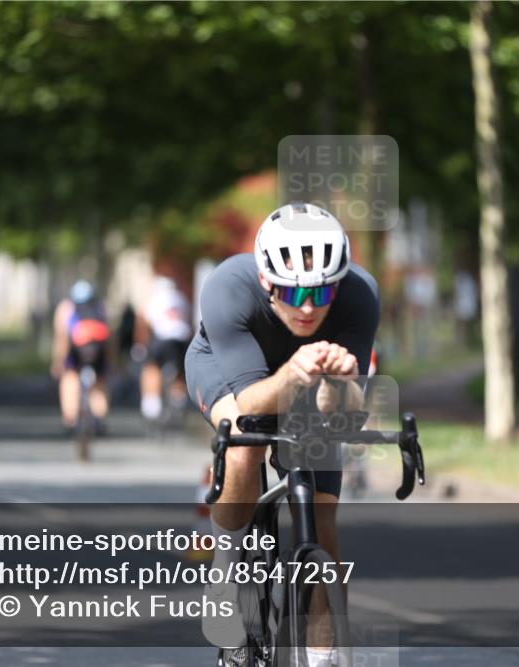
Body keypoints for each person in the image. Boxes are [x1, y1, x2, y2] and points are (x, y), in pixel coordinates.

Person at [185, 202, 378, 667]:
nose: (308, 308)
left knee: (323, 523)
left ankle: (324, 657)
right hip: (229, 373)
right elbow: (252, 402)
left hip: (305, 378)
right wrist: (292, 374)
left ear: (339, 283)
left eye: (322, 292)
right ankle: (226, 570)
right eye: (293, 294)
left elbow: (349, 409)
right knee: (243, 444)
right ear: (267, 281)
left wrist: (341, 386)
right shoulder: (229, 288)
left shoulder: (360, 295)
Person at [50, 280, 111, 432]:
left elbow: (62, 337)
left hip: (76, 350)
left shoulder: (66, 307)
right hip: (98, 350)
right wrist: (110, 360)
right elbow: (109, 335)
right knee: (99, 383)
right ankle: (99, 417)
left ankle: (70, 418)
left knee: (69, 377)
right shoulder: (100, 306)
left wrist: (58, 362)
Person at [137, 276, 193, 420]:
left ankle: (152, 403)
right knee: (180, 369)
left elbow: (143, 323)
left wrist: (141, 345)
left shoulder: (154, 300)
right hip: (181, 340)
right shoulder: (181, 298)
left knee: (151, 367)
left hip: (162, 340)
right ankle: (179, 398)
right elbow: (188, 321)